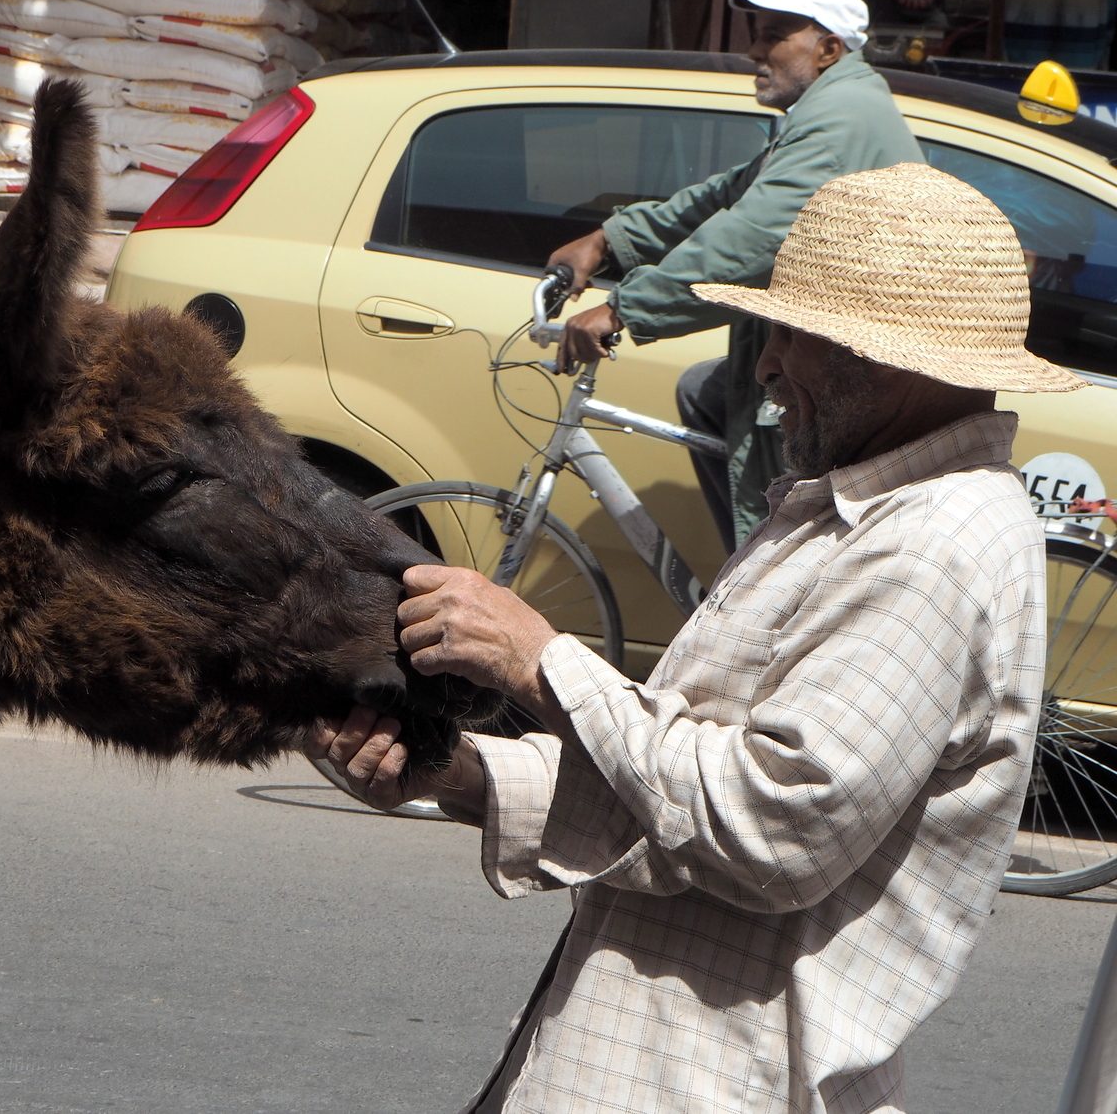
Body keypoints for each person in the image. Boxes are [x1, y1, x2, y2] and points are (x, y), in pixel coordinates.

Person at [311, 162, 1088, 1113]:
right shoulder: (851, 509)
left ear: (884, 357)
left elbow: (770, 827)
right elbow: (676, 779)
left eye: (792, 334)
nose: (765, 365)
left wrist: (540, 660)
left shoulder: (930, 545)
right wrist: (463, 775)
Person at [547, 0, 920, 553]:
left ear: (827, 50)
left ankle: (754, 592)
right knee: (708, 391)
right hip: (826, 355)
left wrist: (625, 308)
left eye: (773, 35)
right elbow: (726, 196)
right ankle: (744, 574)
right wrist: (611, 240)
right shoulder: (833, 106)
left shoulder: (841, 118)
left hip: (845, 372)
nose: (753, 50)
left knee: (799, 538)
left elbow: (754, 234)